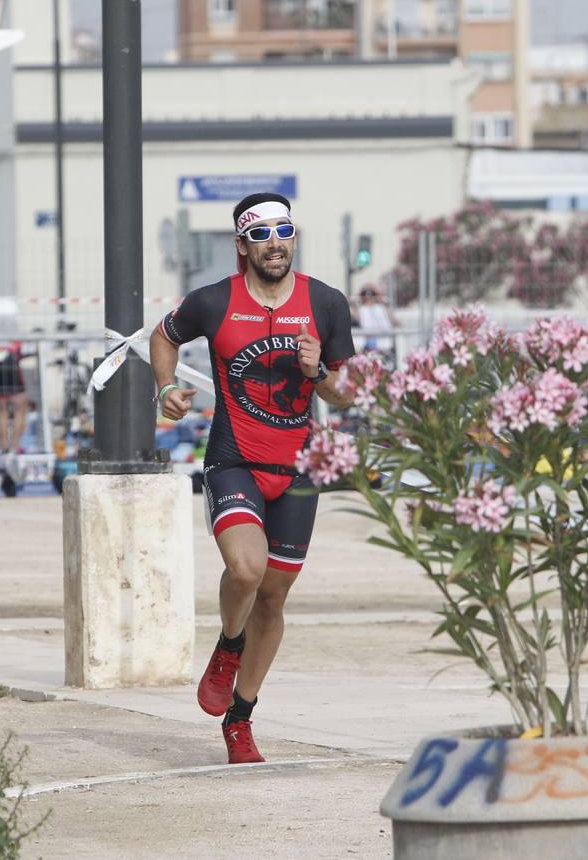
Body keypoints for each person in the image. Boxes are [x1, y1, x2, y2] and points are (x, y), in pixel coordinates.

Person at [149, 192, 356, 764]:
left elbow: (347, 390)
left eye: (283, 230)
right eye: (260, 234)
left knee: (273, 599)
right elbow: (162, 336)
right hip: (235, 458)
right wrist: (166, 388)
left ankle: (240, 720)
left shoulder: (327, 303)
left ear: (294, 237)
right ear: (242, 245)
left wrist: (319, 375)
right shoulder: (214, 302)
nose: (274, 243)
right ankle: (228, 645)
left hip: (299, 470)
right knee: (245, 568)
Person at [0, 340, 34, 466]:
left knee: (2, 412)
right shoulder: (15, 343)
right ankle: (14, 447)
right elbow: (27, 349)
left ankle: (5, 449)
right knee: (20, 410)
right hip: (8, 361)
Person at [353, 284, 397, 354]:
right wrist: (356, 302)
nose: (369, 298)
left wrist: (385, 302)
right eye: (365, 295)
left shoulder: (382, 308)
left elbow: (395, 322)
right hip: (366, 341)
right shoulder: (361, 309)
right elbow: (355, 317)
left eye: (372, 295)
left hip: (382, 340)